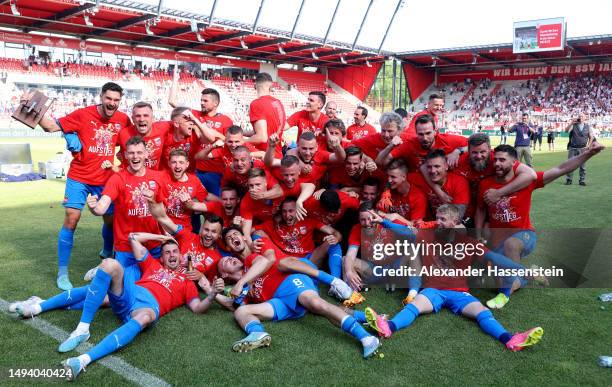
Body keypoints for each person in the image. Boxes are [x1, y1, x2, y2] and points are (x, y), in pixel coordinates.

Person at [11, 232, 217, 381]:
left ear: (181, 256)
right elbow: (133, 237)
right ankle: (38, 308)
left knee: (144, 316)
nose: (172, 255)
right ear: (161, 257)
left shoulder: (188, 281)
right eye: (167, 252)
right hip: (131, 294)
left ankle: (82, 360)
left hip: (147, 307)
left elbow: (198, 307)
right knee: (109, 265)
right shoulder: (152, 265)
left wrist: (213, 294)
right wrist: (162, 238)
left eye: (175, 251)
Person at [361, 206, 544, 353]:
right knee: (415, 305)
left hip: (460, 293)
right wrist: (383, 222)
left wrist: (523, 270)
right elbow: (405, 231)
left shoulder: (470, 244)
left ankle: (511, 339)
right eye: (437, 218)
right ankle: (388, 327)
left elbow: (497, 260)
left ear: (455, 222)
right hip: (433, 290)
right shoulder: (427, 235)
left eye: (443, 219)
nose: (438, 222)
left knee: (483, 312)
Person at [16, 82, 131, 290]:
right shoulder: (83, 114)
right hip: (79, 176)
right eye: (108, 99)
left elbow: (129, 146)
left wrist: (120, 166)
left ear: (120, 101)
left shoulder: (124, 120)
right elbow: (50, 126)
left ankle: (106, 252)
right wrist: (31, 106)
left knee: (112, 221)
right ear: (101, 96)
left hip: (106, 179)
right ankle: (62, 272)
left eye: (116, 100)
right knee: (71, 218)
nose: (112, 103)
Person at [214, 226, 381, 358]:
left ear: (244, 237)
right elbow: (233, 305)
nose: (233, 238)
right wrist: (212, 291)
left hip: (290, 282)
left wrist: (242, 282)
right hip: (279, 301)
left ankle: (366, 338)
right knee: (242, 312)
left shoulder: (253, 254)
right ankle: (257, 333)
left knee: (316, 304)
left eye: (235, 234)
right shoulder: (242, 280)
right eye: (229, 238)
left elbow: (265, 260)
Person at [476, 142, 605, 309]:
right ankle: (529, 275)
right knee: (497, 282)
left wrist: (589, 153)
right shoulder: (486, 184)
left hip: (524, 235)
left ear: (514, 162)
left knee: (511, 245)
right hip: (499, 238)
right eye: (495, 160)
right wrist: (478, 234)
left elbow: (561, 169)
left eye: (502, 160)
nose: (497, 164)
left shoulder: (524, 181)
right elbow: (480, 210)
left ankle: (505, 295)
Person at [86, 136, 164, 284]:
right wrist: (94, 208)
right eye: (132, 153)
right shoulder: (118, 179)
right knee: (121, 289)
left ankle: (105, 270)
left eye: (139, 152)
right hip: (126, 247)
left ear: (146, 154)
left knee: (152, 284)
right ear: (126, 155)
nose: (135, 156)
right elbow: (102, 206)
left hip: (152, 245)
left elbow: (162, 212)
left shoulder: (157, 177)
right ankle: (106, 272)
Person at [377, 114, 467, 171]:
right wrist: (390, 146)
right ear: (416, 133)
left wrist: (458, 151)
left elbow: (477, 143)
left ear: (435, 131)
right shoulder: (409, 144)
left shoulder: (448, 140)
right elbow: (380, 162)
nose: (424, 138)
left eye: (428, 133)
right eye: (420, 134)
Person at [248, 72, 286, 157]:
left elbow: (262, 137)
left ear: (255, 85)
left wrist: (240, 140)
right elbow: (268, 130)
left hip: (264, 157)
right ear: (271, 86)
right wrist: (242, 132)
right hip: (278, 155)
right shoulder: (278, 103)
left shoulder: (257, 103)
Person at [564, 113, 594, 186]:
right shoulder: (573, 125)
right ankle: (569, 179)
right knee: (570, 165)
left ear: (585, 118)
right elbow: (566, 131)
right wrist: (571, 122)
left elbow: (591, 137)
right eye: (579, 116)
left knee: (582, 166)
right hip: (573, 148)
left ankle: (582, 180)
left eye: (582, 116)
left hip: (583, 148)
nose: (580, 117)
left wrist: (589, 145)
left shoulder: (588, 126)